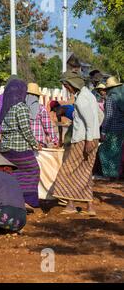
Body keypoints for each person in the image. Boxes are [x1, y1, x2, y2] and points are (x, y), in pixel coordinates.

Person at [51, 72, 100, 216]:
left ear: (73, 84)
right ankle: (89, 207)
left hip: (83, 140)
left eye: (67, 86)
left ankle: (71, 204)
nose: (67, 89)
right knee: (84, 172)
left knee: (67, 171)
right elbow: (99, 117)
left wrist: (89, 139)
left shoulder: (81, 99)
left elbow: (90, 120)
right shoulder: (88, 96)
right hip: (90, 138)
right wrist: (94, 134)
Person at [0, 79, 42, 209]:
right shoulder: (21, 107)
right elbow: (26, 130)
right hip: (20, 148)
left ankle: (12, 199)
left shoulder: (6, 107)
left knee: (14, 173)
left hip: (6, 149)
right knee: (33, 171)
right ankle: (27, 200)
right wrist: (35, 144)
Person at [98, 77, 124, 181]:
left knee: (103, 151)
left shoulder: (110, 99)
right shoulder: (121, 98)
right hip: (121, 129)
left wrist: (103, 132)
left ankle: (110, 174)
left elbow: (108, 116)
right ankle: (116, 174)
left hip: (112, 130)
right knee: (117, 152)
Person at [26, 83, 59, 147]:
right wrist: (55, 140)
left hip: (25, 144)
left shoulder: (21, 108)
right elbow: (48, 127)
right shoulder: (41, 108)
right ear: (37, 96)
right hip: (39, 144)